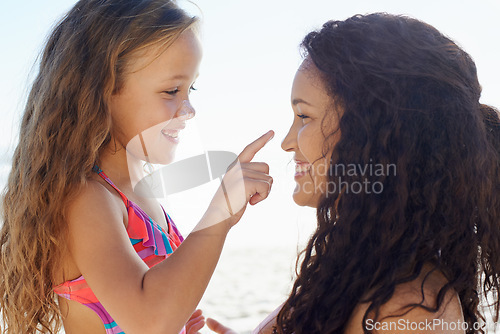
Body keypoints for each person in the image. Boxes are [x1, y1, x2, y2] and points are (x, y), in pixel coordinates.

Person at [206, 13, 500, 334]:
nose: (288, 143)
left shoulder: (406, 310)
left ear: (370, 134)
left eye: (304, 116)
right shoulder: (357, 271)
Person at [0, 0, 274, 333]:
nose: (188, 109)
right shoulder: (87, 199)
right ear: (103, 89)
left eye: (191, 89)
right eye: (172, 90)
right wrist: (220, 213)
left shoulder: (137, 191)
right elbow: (149, 322)